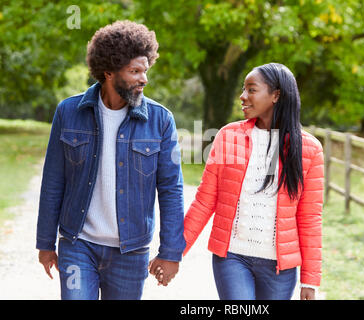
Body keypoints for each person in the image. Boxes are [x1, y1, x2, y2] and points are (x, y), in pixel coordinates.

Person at [36, 20, 185, 300]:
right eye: (135, 71)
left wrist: (171, 252)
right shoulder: (68, 112)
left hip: (131, 251)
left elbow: (171, 189)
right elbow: (53, 179)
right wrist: (45, 243)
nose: (144, 79)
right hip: (77, 244)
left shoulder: (161, 120)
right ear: (108, 72)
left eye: (145, 70)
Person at [179, 63, 324, 300]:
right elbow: (205, 201)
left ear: (276, 95)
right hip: (233, 257)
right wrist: (175, 252)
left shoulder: (309, 149)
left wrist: (310, 279)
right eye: (243, 89)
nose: (242, 96)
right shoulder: (229, 136)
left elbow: (309, 218)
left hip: (280, 267)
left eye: (251, 90)